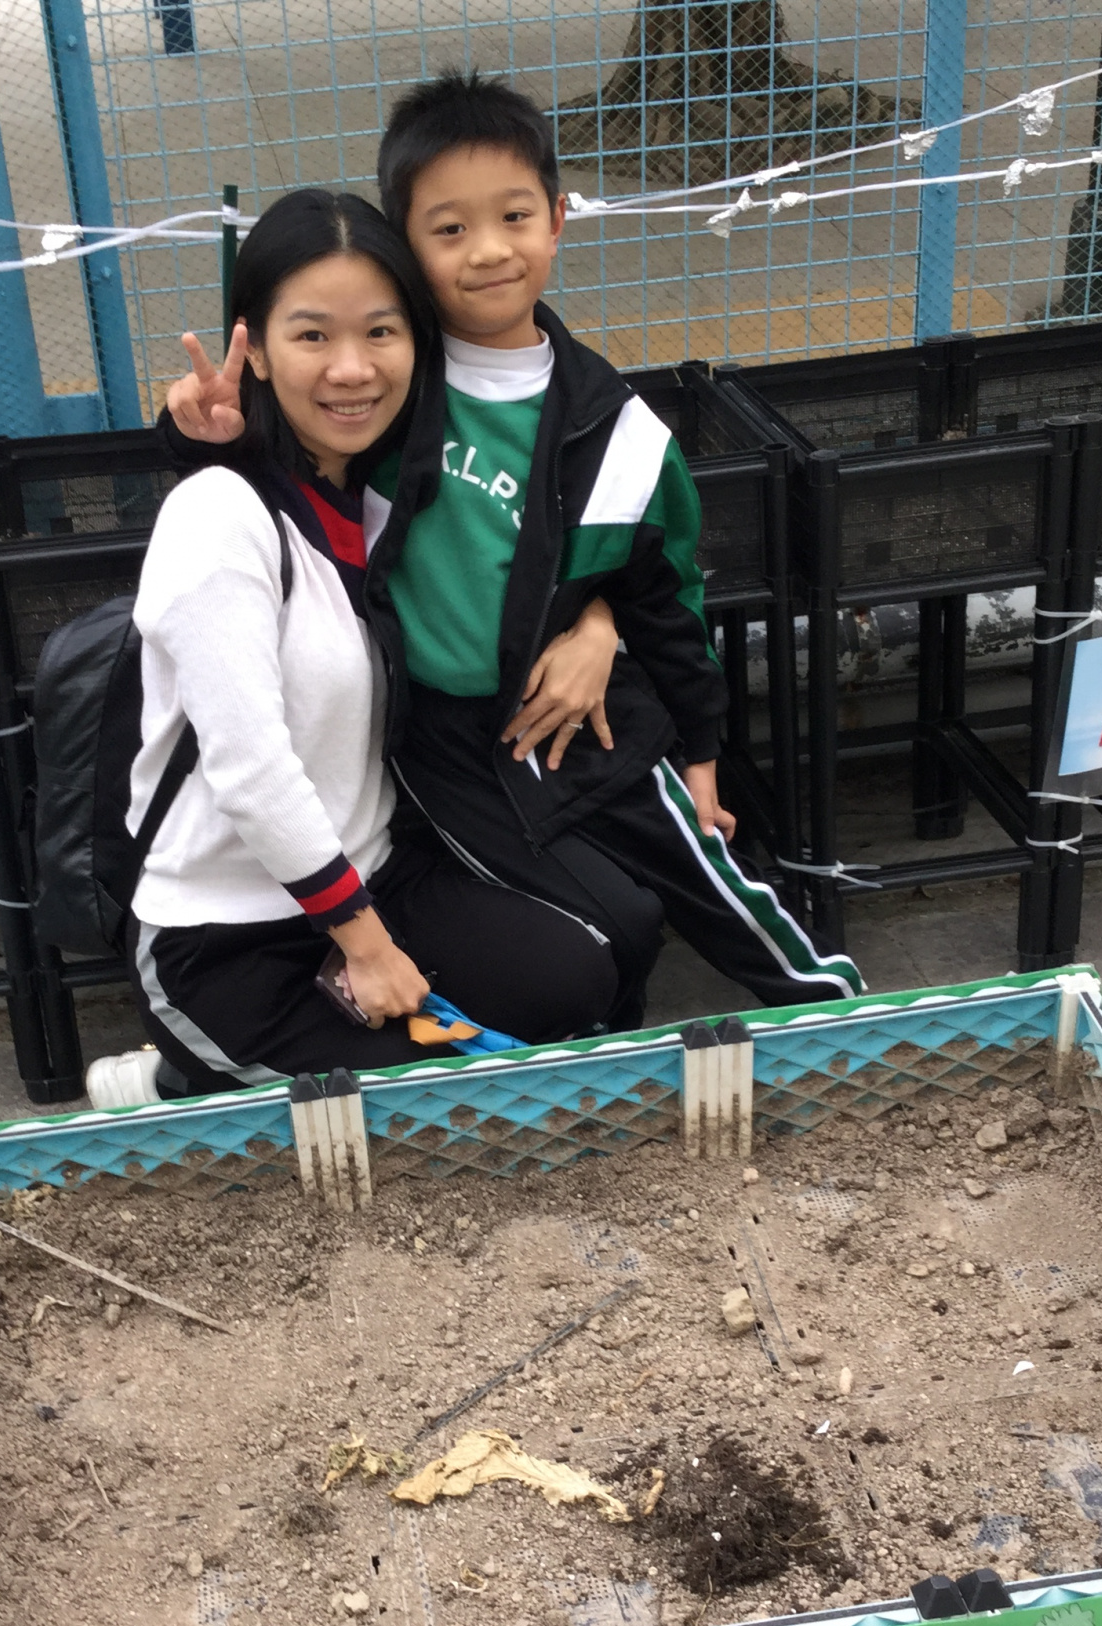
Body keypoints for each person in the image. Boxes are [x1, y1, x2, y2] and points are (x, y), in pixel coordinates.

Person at [164, 72, 864, 1030]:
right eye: (449, 228)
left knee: (710, 886)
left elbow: (666, 599)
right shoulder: (390, 385)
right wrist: (198, 439)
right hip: (439, 753)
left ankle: (841, 1015)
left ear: (559, 219)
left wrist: (691, 740)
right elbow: (280, 483)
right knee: (608, 934)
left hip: (581, 720)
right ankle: (599, 1051)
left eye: (514, 216)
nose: (489, 250)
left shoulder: (620, 434)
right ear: (406, 247)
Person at [111, 187, 619, 1091]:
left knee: (574, 980)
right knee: (423, 1109)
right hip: (224, 932)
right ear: (254, 349)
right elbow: (249, 769)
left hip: (378, 876)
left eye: (381, 331)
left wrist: (598, 619)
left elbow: (529, 568)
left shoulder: (382, 492)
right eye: (312, 335)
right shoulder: (218, 514)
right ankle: (172, 1080)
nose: (352, 369)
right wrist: (369, 947)